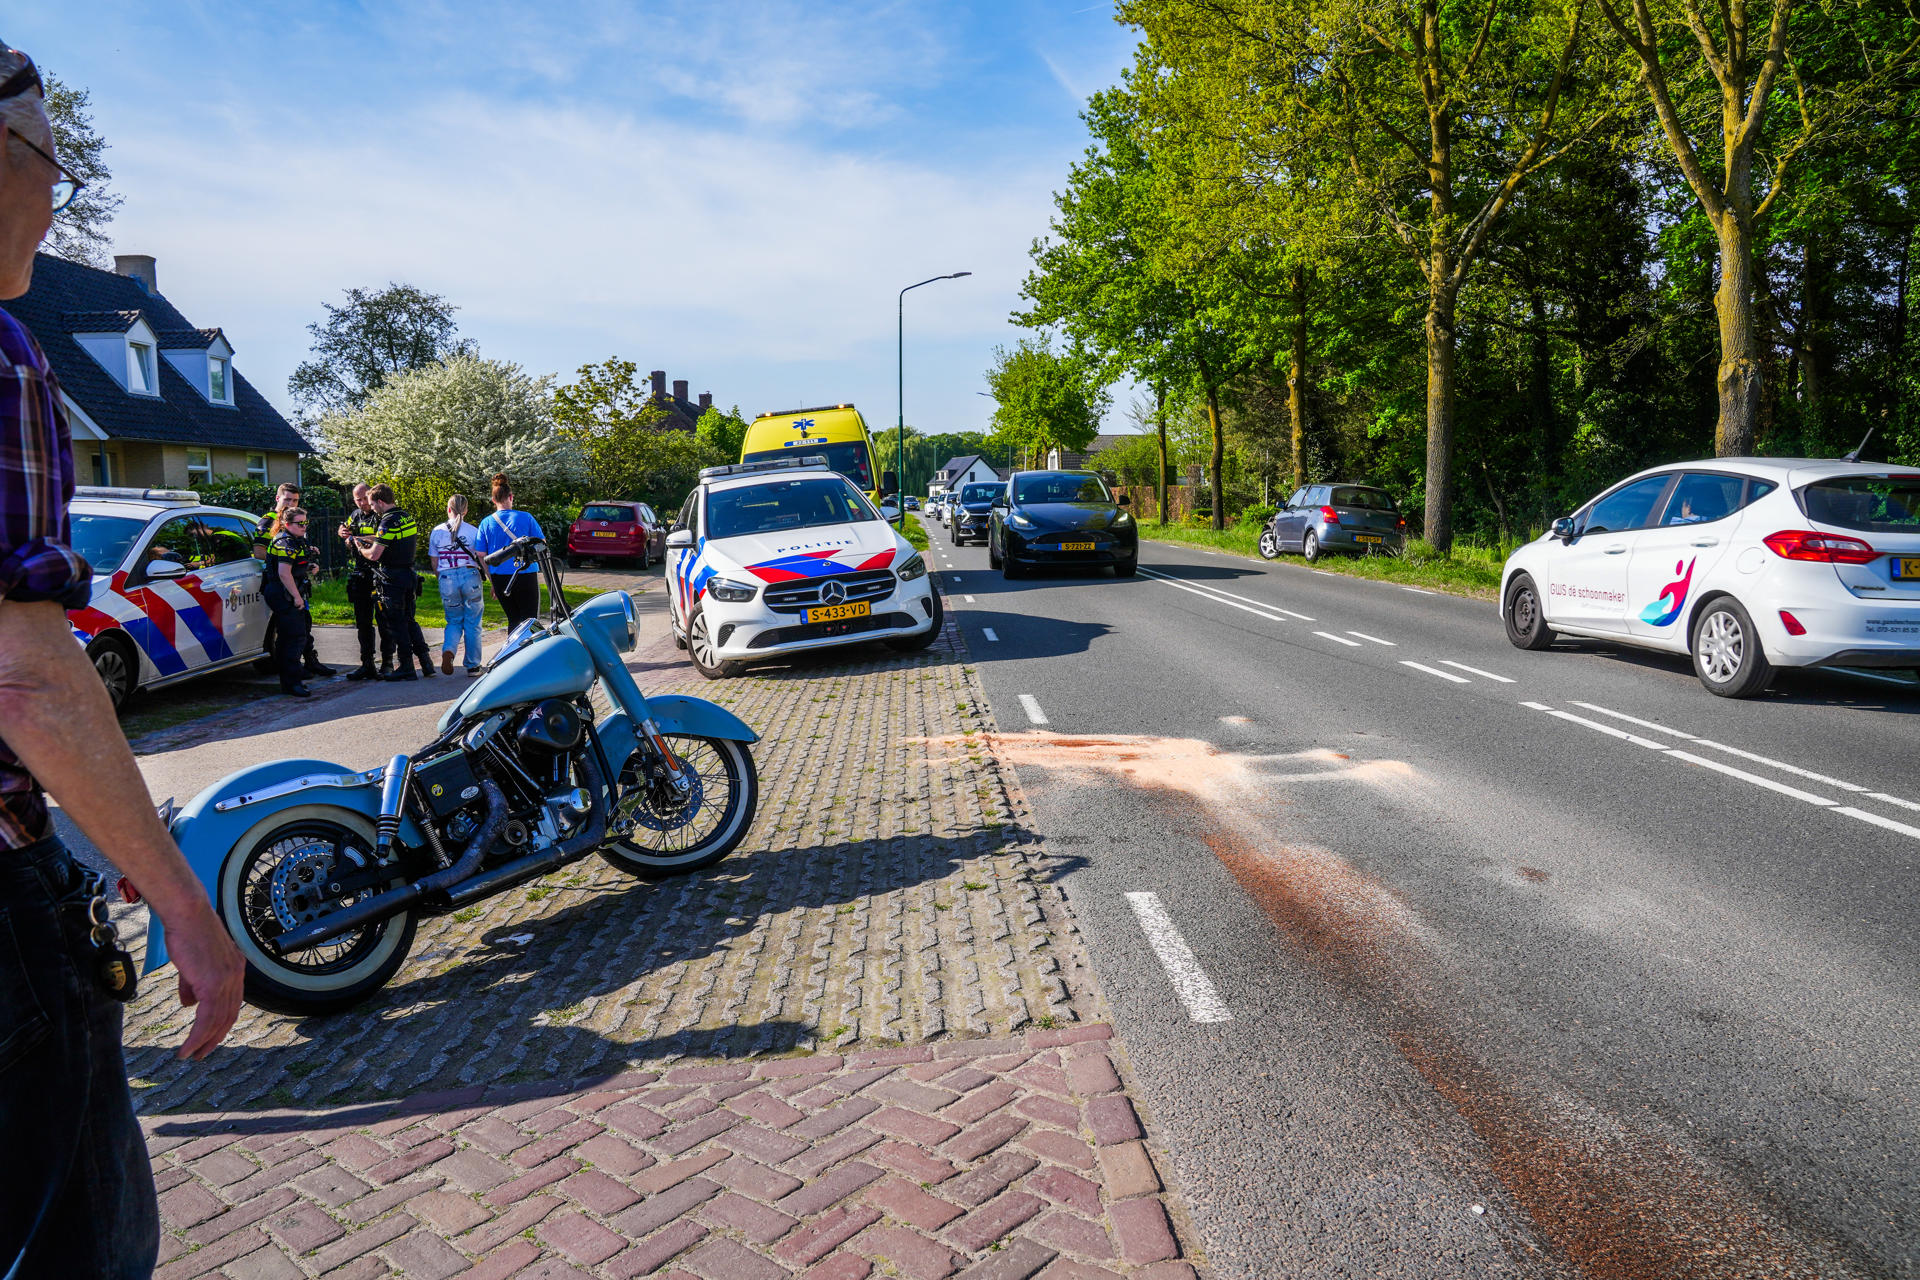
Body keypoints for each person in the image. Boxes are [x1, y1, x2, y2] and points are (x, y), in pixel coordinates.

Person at [0, 46, 243, 1279]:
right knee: (76, 1246)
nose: (58, 191)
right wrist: (185, 902)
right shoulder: (1, 358)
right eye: (52, 157)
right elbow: (25, 677)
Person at [351, 484, 436, 682]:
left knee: (396, 623)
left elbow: (374, 555)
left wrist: (360, 548)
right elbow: (388, 539)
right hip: (408, 574)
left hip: (392, 578)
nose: (371, 508)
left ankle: (406, 666)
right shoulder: (405, 517)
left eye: (373, 504)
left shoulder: (387, 521)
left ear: (381, 502)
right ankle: (426, 662)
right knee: (409, 620)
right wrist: (365, 537)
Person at [253, 482, 330, 679]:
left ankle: (310, 662)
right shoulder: (267, 521)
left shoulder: (296, 518)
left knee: (303, 626)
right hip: (280, 582)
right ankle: (290, 671)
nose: (291, 503)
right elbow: (260, 552)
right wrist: (288, 560)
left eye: (295, 500)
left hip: (296, 581)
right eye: (287, 499)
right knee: (289, 632)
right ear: (278, 498)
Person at [337, 482, 391, 680]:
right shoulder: (355, 515)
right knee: (363, 622)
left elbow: (380, 538)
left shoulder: (381, 514)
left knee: (385, 621)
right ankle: (367, 663)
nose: (361, 503)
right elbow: (346, 534)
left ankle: (387, 663)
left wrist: (357, 538)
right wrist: (343, 534)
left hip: (379, 573)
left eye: (363, 499)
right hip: (360, 573)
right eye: (356, 499)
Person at [475, 474, 544, 629]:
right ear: (511, 497)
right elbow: (541, 543)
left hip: (500, 578)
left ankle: (513, 652)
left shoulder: (486, 523)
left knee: (513, 619)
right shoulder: (526, 518)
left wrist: (492, 580)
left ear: (493, 500)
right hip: (525, 574)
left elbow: (480, 554)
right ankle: (531, 651)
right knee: (530, 621)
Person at [261, 507, 315, 698]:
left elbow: (293, 566)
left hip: (288, 591)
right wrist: (297, 597)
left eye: (305, 522)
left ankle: (291, 681)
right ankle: (292, 683)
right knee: (293, 637)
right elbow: (284, 573)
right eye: (299, 523)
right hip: (283, 593)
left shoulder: (295, 540)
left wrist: (309, 567)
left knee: (292, 637)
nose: (303, 526)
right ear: (286, 524)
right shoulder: (285, 541)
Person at [429, 494, 486, 675]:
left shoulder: (437, 531)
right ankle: (473, 665)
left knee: (453, 620)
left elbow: (434, 562)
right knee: (473, 622)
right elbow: (482, 557)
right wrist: (492, 582)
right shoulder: (473, 531)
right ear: (466, 510)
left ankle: (449, 650)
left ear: (448, 509)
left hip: (447, 578)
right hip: (470, 576)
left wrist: (442, 578)